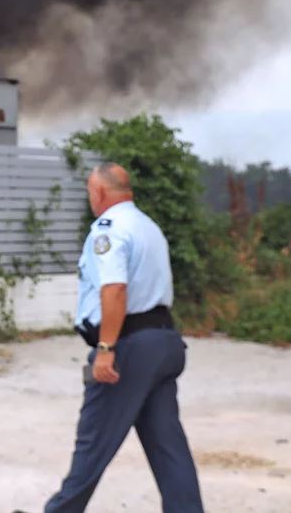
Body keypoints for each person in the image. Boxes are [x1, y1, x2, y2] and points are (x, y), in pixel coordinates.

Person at [44, 162, 203, 512]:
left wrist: (105, 348)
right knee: (167, 447)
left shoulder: (109, 228)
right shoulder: (148, 226)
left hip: (127, 348)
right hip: (163, 342)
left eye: (89, 192)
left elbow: (114, 289)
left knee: (92, 444)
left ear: (99, 192)